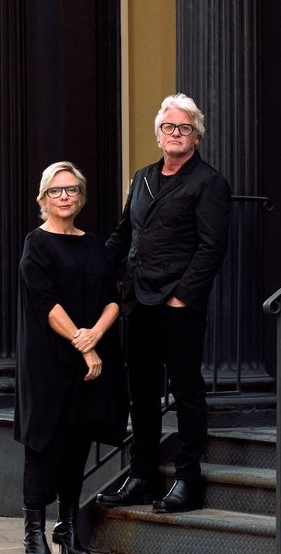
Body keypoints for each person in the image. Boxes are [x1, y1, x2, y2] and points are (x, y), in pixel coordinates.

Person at [97, 93, 231, 514]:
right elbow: (124, 235)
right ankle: (141, 476)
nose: (175, 134)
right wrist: (89, 266)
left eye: (184, 128)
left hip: (178, 305)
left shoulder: (208, 183)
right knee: (141, 393)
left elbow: (211, 247)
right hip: (138, 301)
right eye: (169, 127)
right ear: (158, 135)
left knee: (186, 391)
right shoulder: (142, 178)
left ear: (196, 137)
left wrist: (182, 297)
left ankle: (188, 480)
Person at [14, 161, 127, 554]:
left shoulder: (94, 245)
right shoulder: (36, 243)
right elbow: (45, 302)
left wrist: (95, 334)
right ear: (43, 198)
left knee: (78, 442)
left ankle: (66, 527)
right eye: (56, 191)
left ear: (81, 197)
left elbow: (114, 297)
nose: (65, 197)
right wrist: (85, 344)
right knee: (43, 444)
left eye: (72, 190)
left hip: (89, 356)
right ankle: (33, 535)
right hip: (49, 361)